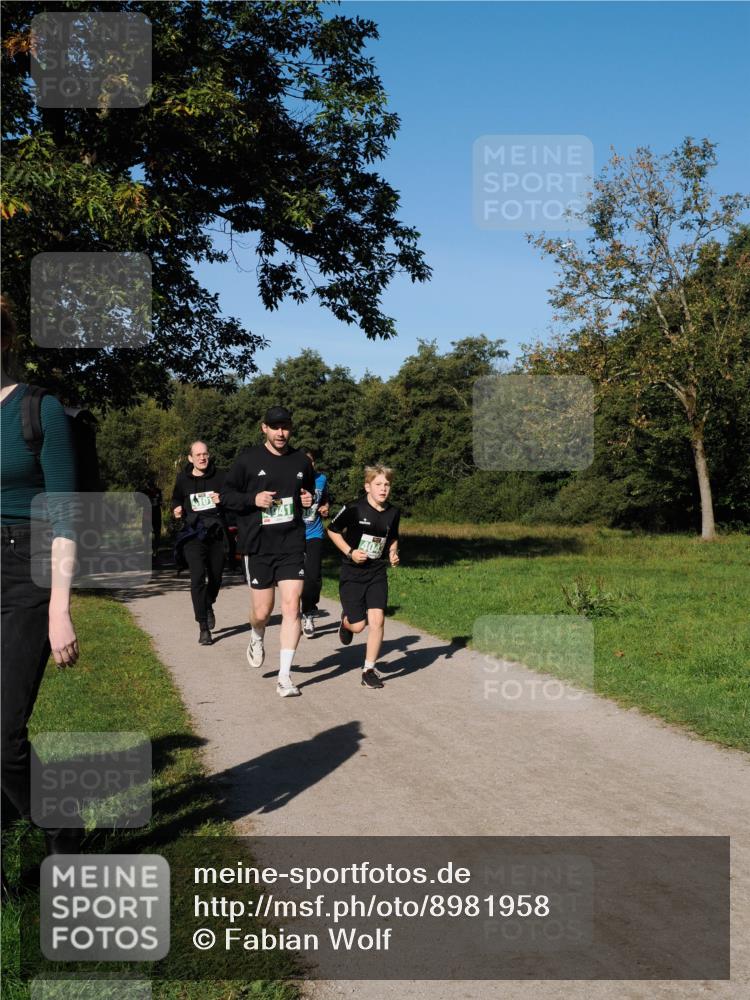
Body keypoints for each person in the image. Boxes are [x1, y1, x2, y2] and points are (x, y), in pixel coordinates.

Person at [1, 295, 80, 856]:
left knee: (4, 736)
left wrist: (59, 607)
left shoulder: (38, 408)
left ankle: (60, 825)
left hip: (22, 569)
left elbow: (66, 513)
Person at [223, 406, 315, 697]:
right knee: (263, 611)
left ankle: (285, 677)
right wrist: (254, 498)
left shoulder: (302, 461)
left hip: (291, 543)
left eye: (285, 427)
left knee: (292, 606)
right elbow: (226, 496)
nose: (281, 432)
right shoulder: (248, 460)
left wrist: (308, 498)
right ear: (264, 428)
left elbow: (309, 495)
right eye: (275, 427)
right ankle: (256, 634)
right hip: (258, 545)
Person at [327, 465, 400, 689]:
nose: (383, 488)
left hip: (377, 572)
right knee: (359, 626)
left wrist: (393, 552)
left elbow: (393, 537)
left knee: (377, 621)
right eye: (378, 484)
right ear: (367, 486)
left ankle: (368, 670)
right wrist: (350, 552)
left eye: (387, 484)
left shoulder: (393, 512)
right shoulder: (354, 508)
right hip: (353, 573)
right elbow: (332, 530)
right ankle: (346, 623)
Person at [172, 441, 227, 645]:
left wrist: (222, 499)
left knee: (216, 577)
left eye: (205, 454)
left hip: (216, 534)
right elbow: (176, 499)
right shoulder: (182, 479)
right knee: (197, 578)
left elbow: (232, 499)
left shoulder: (221, 477)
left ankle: (208, 602)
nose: (202, 458)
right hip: (192, 535)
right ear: (190, 458)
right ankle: (203, 627)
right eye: (198, 455)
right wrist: (176, 509)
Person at [300, 449, 330, 638]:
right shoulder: (292, 479)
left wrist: (326, 507)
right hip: (294, 534)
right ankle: (293, 611)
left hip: (314, 533)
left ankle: (309, 612)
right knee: (296, 577)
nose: (308, 466)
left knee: (313, 576)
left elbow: (326, 499)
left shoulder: (322, 479)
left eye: (311, 462)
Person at [142, 474, 163, 560]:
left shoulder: (158, 491)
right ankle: (146, 552)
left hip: (157, 514)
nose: (152, 482)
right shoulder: (144, 492)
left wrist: (158, 502)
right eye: (150, 481)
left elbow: (161, 501)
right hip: (147, 514)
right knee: (146, 534)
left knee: (157, 533)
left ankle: (156, 551)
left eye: (153, 481)